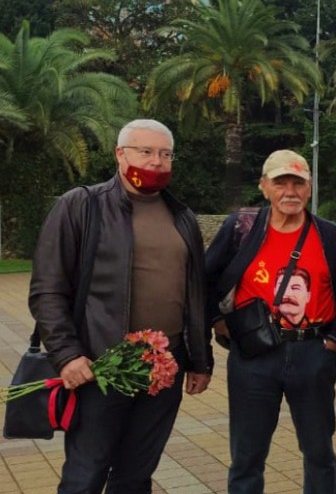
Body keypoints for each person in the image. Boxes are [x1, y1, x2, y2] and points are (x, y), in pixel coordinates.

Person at [30, 118, 213, 493]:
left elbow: (196, 293)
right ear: (119, 154)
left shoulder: (183, 218)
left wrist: (199, 360)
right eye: (145, 151)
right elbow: (47, 289)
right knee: (86, 473)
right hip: (100, 365)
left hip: (165, 367)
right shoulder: (82, 205)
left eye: (165, 154)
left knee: (136, 474)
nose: (156, 161)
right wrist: (67, 355)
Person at [204, 149, 336, 494]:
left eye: (298, 183)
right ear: (264, 187)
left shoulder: (329, 235)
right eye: (280, 183)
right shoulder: (243, 227)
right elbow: (204, 278)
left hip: (313, 353)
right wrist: (215, 320)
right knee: (247, 456)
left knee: (319, 453)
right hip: (254, 355)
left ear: (309, 188)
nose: (290, 192)